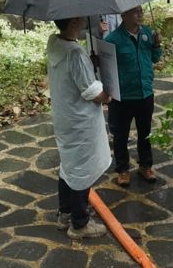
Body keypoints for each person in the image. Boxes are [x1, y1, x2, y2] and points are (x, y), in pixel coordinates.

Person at [46, 17, 111, 239]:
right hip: (80, 121)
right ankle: (80, 223)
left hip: (65, 117)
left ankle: (64, 214)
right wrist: (107, 95)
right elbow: (91, 92)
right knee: (83, 170)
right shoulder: (74, 53)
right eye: (80, 17)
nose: (84, 18)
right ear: (74, 21)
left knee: (69, 166)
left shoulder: (54, 44)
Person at [105, 5, 162, 186]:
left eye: (141, 11)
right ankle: (122, 169)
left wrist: (156, 45)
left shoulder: (147, 32)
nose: (140, 14)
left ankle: (145, 165)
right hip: (123, 96)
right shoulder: (113, 39)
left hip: (145, 92)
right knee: (120, 134)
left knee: (145, 132)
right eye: (135, 12)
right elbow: (105, 68)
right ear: (123, 15)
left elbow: (154, 58)